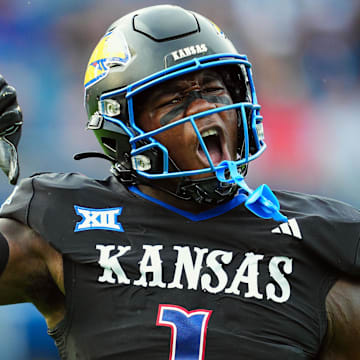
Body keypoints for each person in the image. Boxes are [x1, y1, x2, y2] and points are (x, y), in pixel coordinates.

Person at [0, 4, 359, 360]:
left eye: (214, 90)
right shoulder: (64, 217)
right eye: (175, 100)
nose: (204, 108)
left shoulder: (317, 241)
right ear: (126, 129)